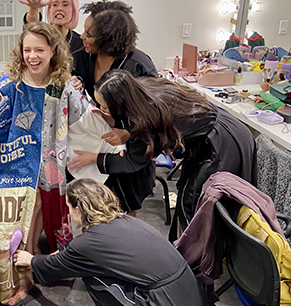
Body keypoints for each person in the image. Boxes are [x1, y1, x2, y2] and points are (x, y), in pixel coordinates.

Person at [0, 22, 88, 306]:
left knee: (37, 203)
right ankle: (23, 255)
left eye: (39, 49)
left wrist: (79, 89)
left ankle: (31, 252)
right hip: (14, 160)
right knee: (27, 205)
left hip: (48, 159)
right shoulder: (12, 82)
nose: (32, 56)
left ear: (53, 51)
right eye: (27, 50)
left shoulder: (63, 84)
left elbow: (80, 114)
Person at [14, 179, 207, 306]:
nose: (68, 211)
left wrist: (30, 260)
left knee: (94, 278)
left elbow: (57, 265)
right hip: (193, 301)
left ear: (78, 210)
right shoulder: (125, 221)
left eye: (69, 207)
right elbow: (75, 248)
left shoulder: (89, 243)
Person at [93, 70, 255, 239]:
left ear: (120, 103)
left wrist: (94, 159)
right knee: (190, 199)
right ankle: (191, 252)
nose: (101, 110)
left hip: (222, 143)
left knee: (198, 207)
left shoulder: (148, 114)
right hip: (215, 133)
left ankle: (196, 258)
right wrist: (127, 130)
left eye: (104, 107)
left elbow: (134, 160)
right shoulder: (140, 90)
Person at [75, 0, 158, 102]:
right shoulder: (82, 57)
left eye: (88, 34)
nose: (82, 36)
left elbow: (154, 106)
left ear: (108, 39)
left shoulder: (139, 67)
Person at [19, 0, 84, 56]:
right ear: (49, 10)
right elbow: (31, 28)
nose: (59, 8)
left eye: (65, 5)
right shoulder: (43, 37)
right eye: (55, 5)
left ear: (74, 10)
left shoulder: (81, 44)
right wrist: (33, 9)